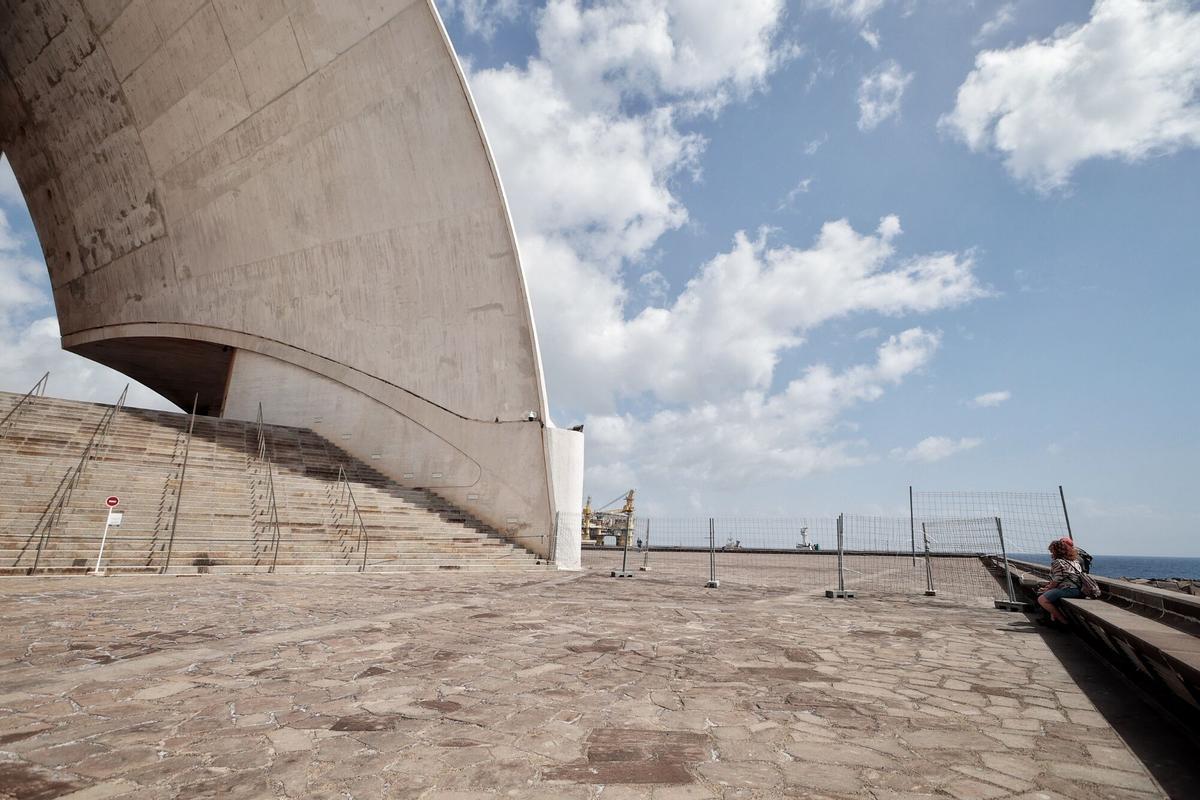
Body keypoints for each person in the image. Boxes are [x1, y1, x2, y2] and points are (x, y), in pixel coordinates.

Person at [1038, 537, 1084, 625]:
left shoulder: (1058, 562)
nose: (1051, 553)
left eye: (1052, 551)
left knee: (1042, 599)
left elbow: (1057, 580)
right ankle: (1054, 620)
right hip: (1078, 589)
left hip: (1069, 590)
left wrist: (1047, 589)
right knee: (1050, 596)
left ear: (1056, 551)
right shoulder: (1074, 561)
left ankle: (1063, 621)